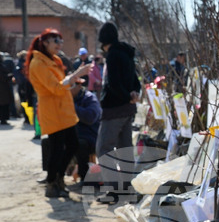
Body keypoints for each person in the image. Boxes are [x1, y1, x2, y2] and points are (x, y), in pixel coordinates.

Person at [26, 29, 92, 198]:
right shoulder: (38, 63)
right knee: (57, 148)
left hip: (63, 111)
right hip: (53, 112)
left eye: (60, 41)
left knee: (72, 145)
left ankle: (58, 179)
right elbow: (55, 87)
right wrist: (76, 74)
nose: (59, 44)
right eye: (55, 40)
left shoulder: (53, 60)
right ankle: (52, 183)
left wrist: (72, 79)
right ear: (45, 42)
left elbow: (60, 84)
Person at [96, 22, 140, 203]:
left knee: (104, 149)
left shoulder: (113, 54)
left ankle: (113, 192)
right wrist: (134, 95)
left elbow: (113, 83)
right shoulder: (127, 53)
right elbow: (135, 80)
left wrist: (125, 96)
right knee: (125, 150)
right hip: (128, 109)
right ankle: (128, 189)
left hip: (115, 109)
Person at [70, 75, 101, 187]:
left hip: (90, 136)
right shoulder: (66, 99)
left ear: (78, 86)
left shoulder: (89, 98)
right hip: (73, 134)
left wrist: (73, 107)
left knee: (80, 143)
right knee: (48, 141)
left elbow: (90, 118)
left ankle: (85, 177)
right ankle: (54, 177)